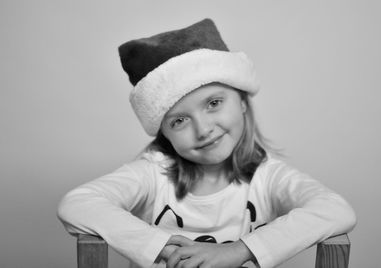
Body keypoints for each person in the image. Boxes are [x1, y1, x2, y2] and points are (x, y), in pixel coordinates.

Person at [57, 18, 356, 268]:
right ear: (164, 133)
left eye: (213, 103)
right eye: (179, 120)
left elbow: (336, 210)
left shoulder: (267, 177)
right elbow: (78, 204)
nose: (203, 130)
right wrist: (159, 245)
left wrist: (238, 250)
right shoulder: (152, 174)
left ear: (241, 101)